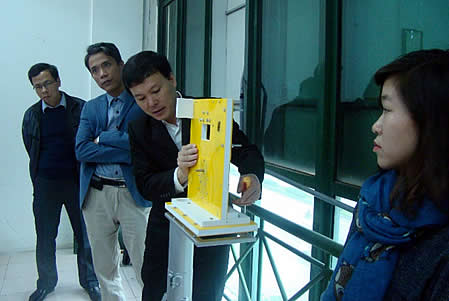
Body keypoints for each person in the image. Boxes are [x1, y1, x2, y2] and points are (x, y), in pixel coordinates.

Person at [122, 51, 265, 301]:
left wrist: (252, 175)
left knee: (206, 293)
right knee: (155, 291)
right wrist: (179, 175)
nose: (151, 103)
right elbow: (144, 185)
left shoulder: (209, 111)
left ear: (172, 79)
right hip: (165, 227)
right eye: (140, 98)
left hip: (210, 225)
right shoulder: (139, 128)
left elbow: (245, 150)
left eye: (155, 91)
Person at [321, 49, 449, 301]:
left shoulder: (441, 247)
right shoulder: (376, 201)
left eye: (387, 110)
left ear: (430, 121)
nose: (375, 126)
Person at [75, 43, 151, 301]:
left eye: (106, 65)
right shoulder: (91, 107)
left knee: (145, 264)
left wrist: (102, 138)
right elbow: (82, 151)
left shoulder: (142, 101)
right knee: (105, 266)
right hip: (96, 194)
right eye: (94, 70)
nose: (102, 74)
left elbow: (143, 149)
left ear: (120, 64)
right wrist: (124, 146)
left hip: (133, 193)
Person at [22, 63, 100, 301]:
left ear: (58, 82)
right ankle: (45, 283)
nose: (43, 90)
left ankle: (90, 282)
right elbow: (30, 146)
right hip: (46, 184)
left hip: (78, 182)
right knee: (45, 236)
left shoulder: (80, 108)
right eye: (37, 87)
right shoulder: (32, 115)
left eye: (47, 84)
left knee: (85, 235)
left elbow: (91, 141)